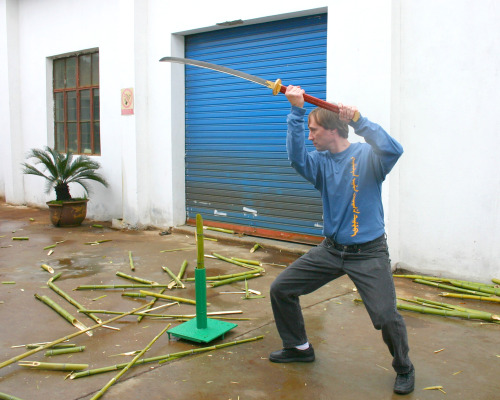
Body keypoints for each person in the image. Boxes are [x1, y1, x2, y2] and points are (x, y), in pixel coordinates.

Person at [269, 85, 415, 395]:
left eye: (314, 130)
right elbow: (296, 157)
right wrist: (296, 112)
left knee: (386, 317)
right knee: (281, 289)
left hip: (369, 252)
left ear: (333, 130)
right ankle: (298, 347)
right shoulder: (319, 164)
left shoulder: (367, 157)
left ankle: (404, 367)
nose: (310, 137)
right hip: (332, 251)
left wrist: (361, 121)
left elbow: (393, 149)